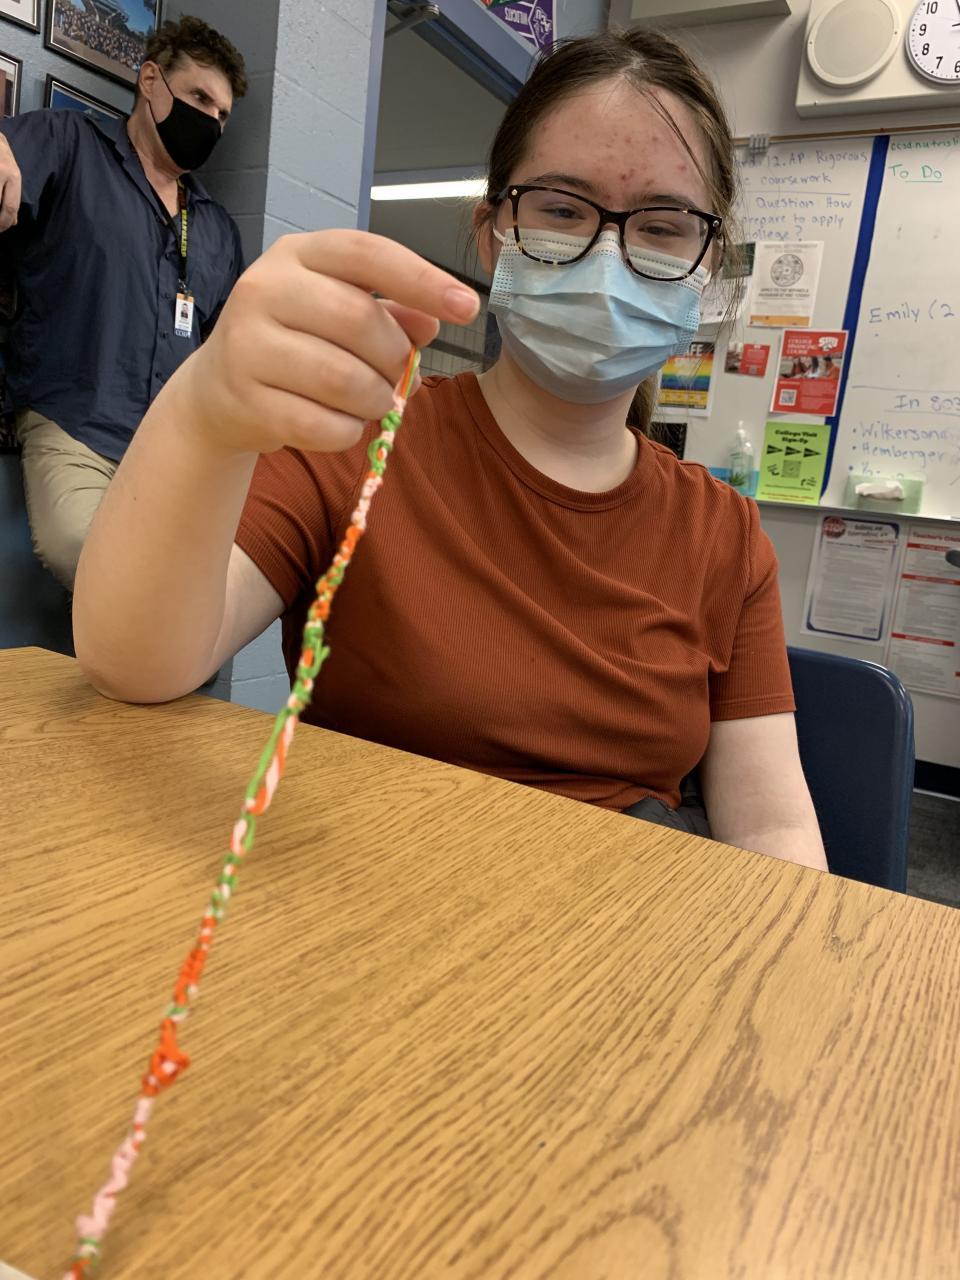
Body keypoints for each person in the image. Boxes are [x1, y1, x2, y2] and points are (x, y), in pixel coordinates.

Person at [73, 29, 828, 872]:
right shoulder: (356, 438)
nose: (608, 254)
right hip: (365, 896)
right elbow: (135, 663)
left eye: (663, 225)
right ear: (493, 233)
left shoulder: (724, 534)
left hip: (617, 925)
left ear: (708, 265)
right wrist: (203, 411)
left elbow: (772, 830)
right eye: (562, 210)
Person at [0, 15, 247, 590]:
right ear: (151, 81)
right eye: (199, 98)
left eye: (221, 114)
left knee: (201, 580)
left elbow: (227, 350)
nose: (210, 121)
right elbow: (10, 153)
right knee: (84, 549)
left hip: (171, 451)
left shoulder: (216, 229)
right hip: (74, 425)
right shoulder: (72, 144)